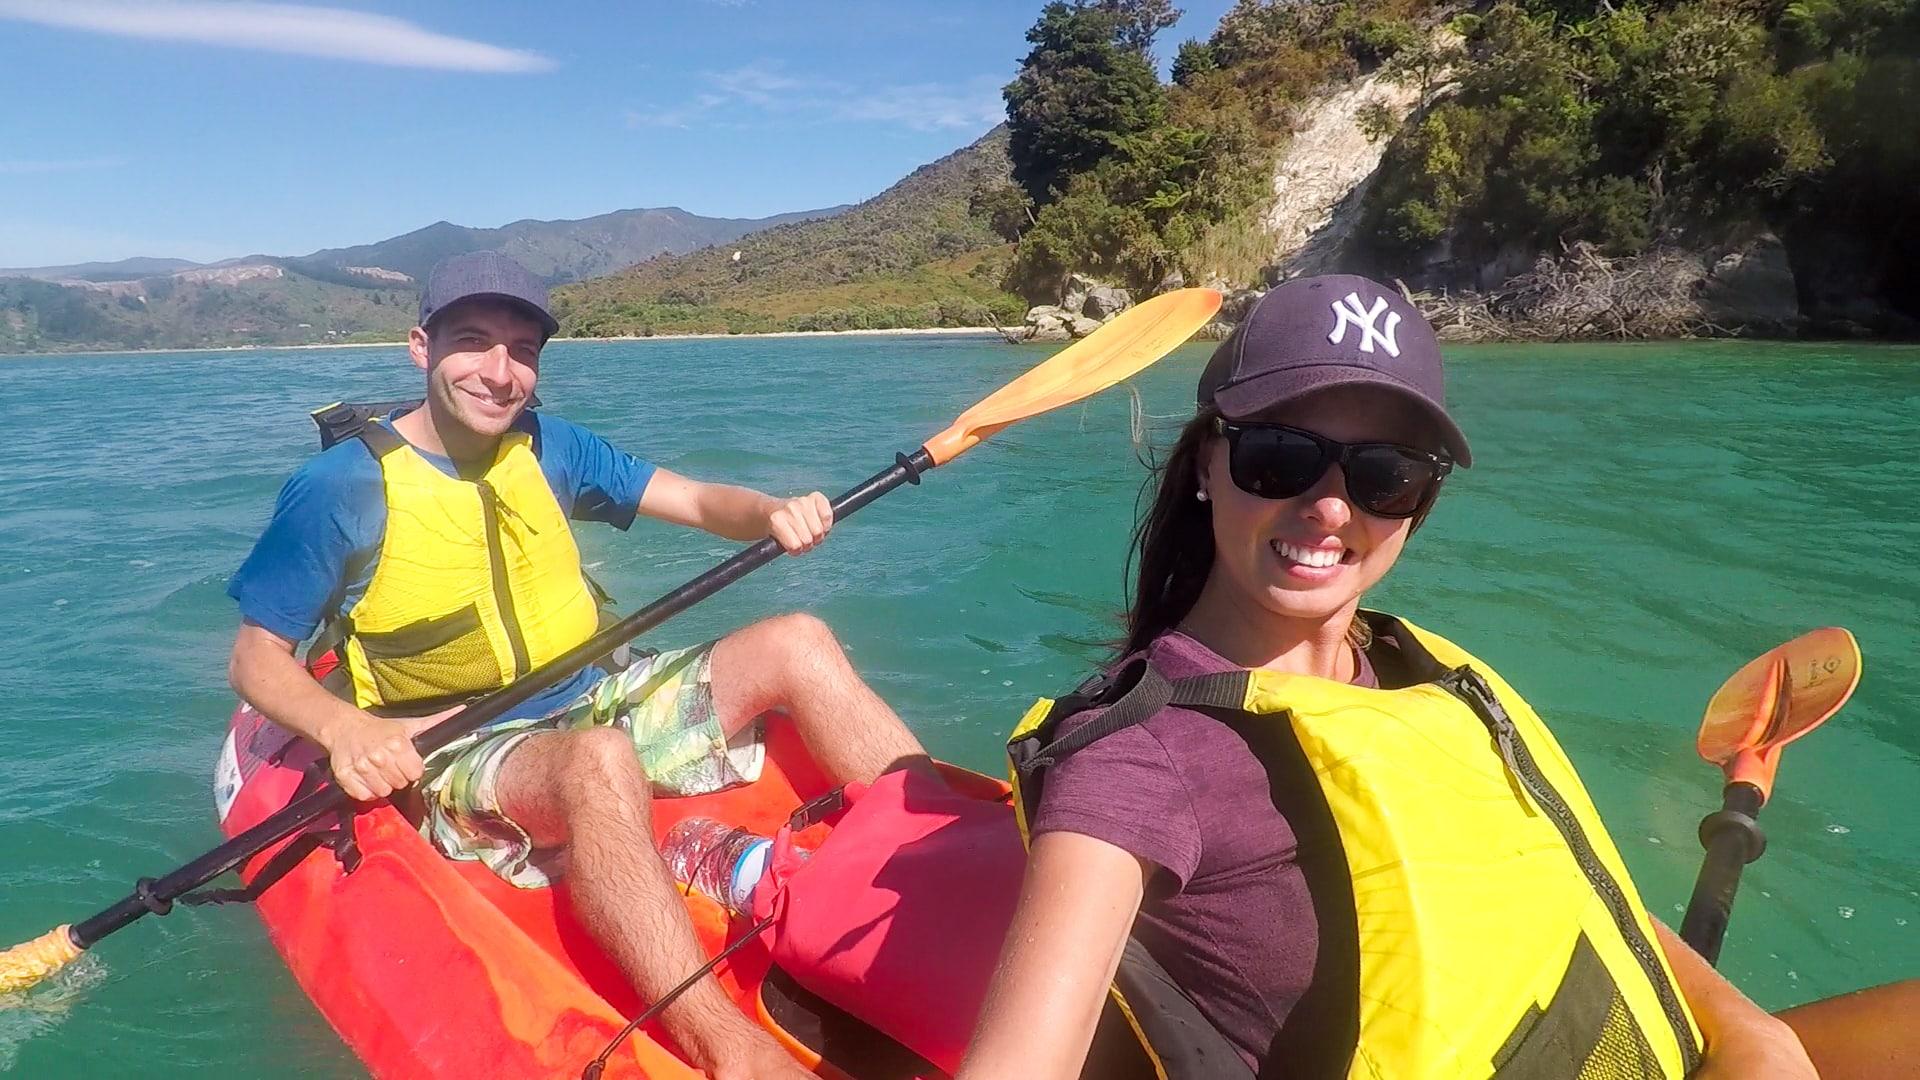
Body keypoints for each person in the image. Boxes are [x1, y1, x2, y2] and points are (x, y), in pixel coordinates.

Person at [957, 275, 1821, 1079]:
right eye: (1280, 457)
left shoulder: (1419, 676)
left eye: (1384, 474)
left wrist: (1750, 1026)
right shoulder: (1138, 757)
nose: (1331, 507)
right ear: (1208, 465)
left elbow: (1568, 900)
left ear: (1421, 504)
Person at [227, 251, 926, 1080]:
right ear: (421, 346)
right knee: (599, 763)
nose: (500, 371)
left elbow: (698, 500)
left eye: (523, 349)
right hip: (457, 743)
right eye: (474, 341)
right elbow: (256, 658)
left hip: (593, 695)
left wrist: (771, 510)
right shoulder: (338, 487)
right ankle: (725, 1047)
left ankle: (945, 858)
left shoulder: (552, 445)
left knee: (799, 639)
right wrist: (343, 727)